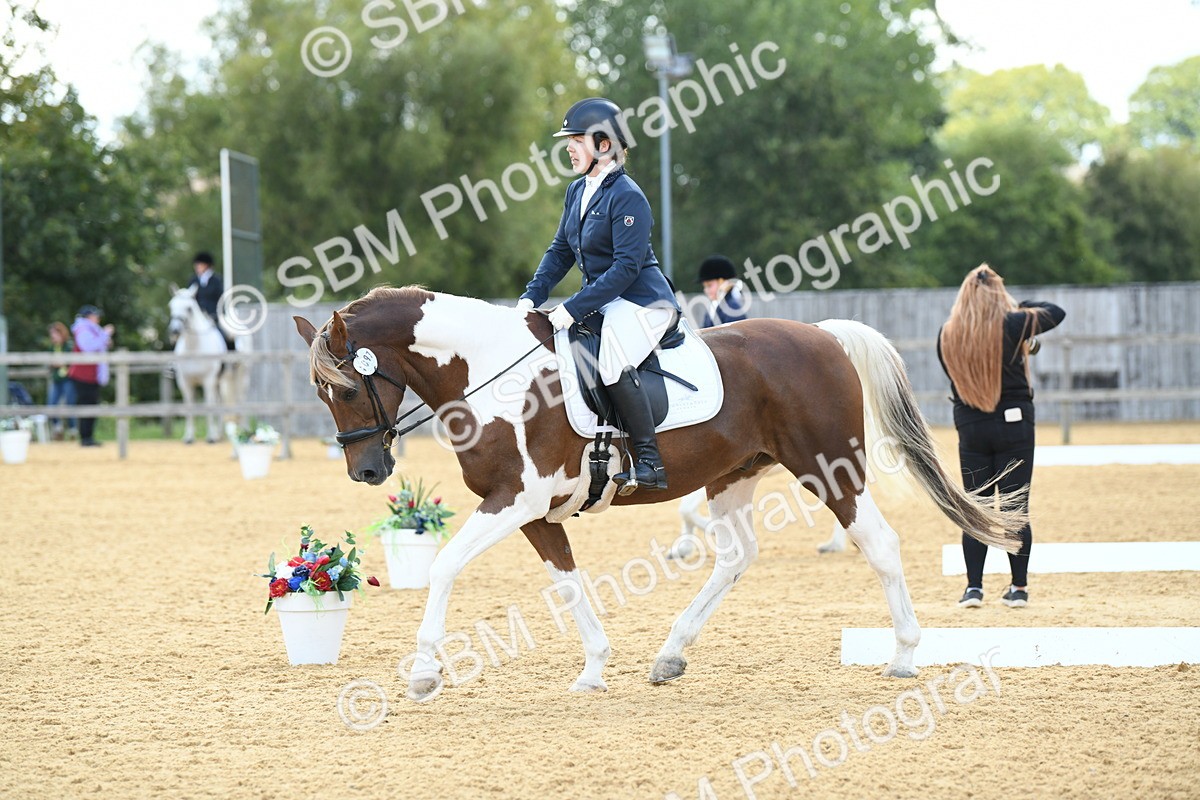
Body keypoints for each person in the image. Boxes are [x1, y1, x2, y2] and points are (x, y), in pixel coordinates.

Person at [517, 97, 681, 493]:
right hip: (606, 300)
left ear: (604, 145)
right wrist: (530, 297)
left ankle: (650, 462)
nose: (569, 148)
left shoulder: (628, 195)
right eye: (569, 140)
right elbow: (560, 251)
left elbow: (626, 268)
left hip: (644, 302)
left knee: (611, 363)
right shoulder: (577, 191)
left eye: (576, 140)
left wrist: (572, 308)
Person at [937, 264, 1065, 609]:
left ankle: (973, 588)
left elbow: (954, 377)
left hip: (971, 426)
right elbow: (1056, 312)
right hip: (1014, 425)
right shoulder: (1012, 324)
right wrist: (1018, 306)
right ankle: (1018, 588)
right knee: (1014, 506)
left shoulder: (948, 333)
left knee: (975, 506)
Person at [67, 305, 114, 447]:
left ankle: (88, 436)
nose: (98, 318)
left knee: (91, 404)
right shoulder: (83, 329)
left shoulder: (91, 329)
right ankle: (85, 437)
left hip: (91, 375)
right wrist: (105, 335)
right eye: (95, 315)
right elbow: (88, 347)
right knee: (86, 404)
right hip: (83, 375)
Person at [188, 251, 234, 350]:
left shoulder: (216, 280)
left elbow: (220, 299)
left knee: (224, 334)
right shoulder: (193, 280)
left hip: (213, 316)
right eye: (196, 265)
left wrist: (216, 314)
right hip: (198, 315)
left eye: (199, 264)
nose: (197, 267)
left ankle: (231, 354)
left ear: (206, 265)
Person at [47, 321, 78, 439]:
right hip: (57, 379)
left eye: (55, 334)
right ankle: (58, 427)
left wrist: (61, 363)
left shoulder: (69, 345)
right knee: (51, 404)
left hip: (68, 379)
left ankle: (72, 430)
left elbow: (72, 361)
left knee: (70, 404)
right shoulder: (53, 347)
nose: (53, 336)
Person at [698, 254, 748, 327]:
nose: (705, 290)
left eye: (709, 285)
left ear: (723, 283)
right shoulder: (713, 307)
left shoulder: (732, 309)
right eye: (704, 286)